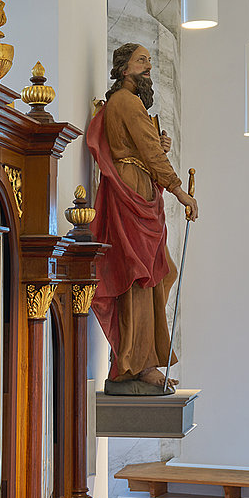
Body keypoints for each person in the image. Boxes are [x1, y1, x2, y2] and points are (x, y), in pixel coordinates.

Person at [88, 43, 198, 394]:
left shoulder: (129, 103)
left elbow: (144, 147)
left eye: (149, 61)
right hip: (132, 189)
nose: (147, 66)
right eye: (141, 61)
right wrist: (179, 191)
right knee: (139, 277)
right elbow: (147, 152)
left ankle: (139, 357)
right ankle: (135, 365)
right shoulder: (126, 101)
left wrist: (156, 147)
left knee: (158, 274)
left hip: (139, 186)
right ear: (124, 69)